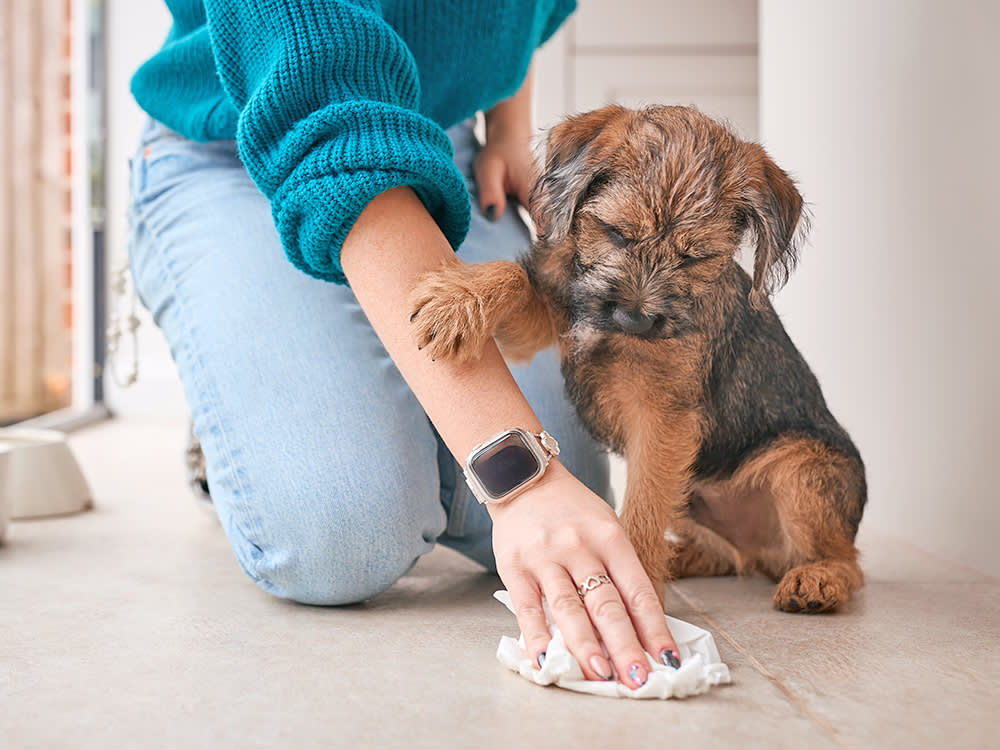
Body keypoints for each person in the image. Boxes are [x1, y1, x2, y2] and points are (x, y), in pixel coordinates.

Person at [128, 0, 678, 689]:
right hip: (244, 140)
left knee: (564, 497)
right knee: (345, 538)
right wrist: (519, 482)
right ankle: (239, 389)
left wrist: (507, 128)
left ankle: (316, 367)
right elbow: (325, 97)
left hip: (436, 140)